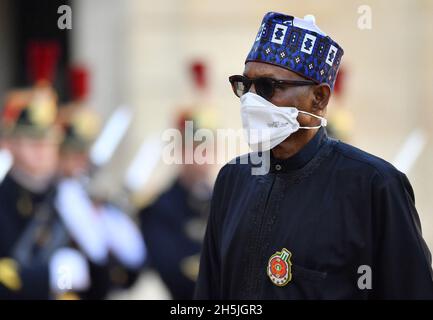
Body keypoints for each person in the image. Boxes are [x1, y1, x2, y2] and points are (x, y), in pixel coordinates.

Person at [194, 12, 433, 299]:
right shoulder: (233, 179)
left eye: (269, 87)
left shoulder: (374, 185)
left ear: (319, 98)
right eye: (245, 85)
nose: (251, 100)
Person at [0, 85, 90, 299]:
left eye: (49, 140)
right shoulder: (4, 199)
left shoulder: (68, 198)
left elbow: (97, 281)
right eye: (33, 140)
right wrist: (46, 277)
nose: (43, 148)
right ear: (9, 144)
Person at [140, 110, 213, 299]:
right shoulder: (161, 207)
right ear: (180, 151)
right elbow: (173, 272)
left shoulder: (224, 200)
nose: (203, 156)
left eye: (207, 147)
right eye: (196, 148)